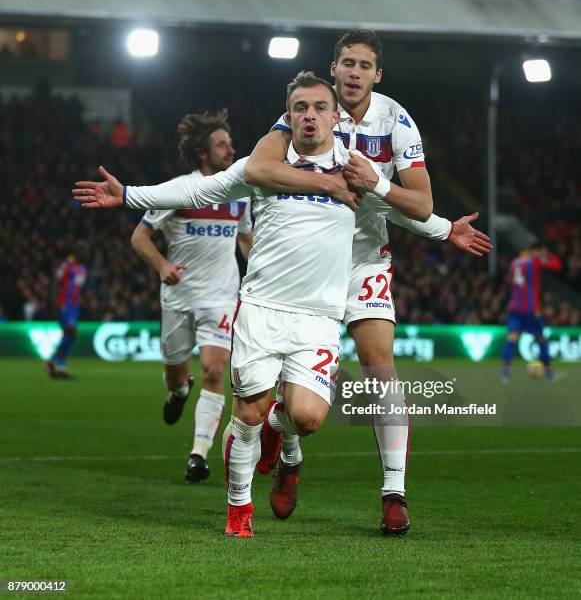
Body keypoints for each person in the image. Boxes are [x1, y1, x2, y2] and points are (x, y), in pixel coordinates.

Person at [73, 71, 484, 537]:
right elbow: (196, 191)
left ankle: (279, 427)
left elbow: (399, 211)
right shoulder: (264, 168)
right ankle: (238, 510)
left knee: (306, 418)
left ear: (335, 117)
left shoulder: (356, 173)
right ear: (288, 117)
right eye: (300, 109)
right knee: (245, 414)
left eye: (319, 108)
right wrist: (128, 195)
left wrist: (447, 229)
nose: (310, 115)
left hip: (320, 319)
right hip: (262, 310)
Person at [244, 30, 491, 535]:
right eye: (347, 63)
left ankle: (394, 493)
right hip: (304, 266)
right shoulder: (307, 111)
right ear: (332, 69)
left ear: (378, 75)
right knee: (299, 406)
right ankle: (284, 443)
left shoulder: (396, 119)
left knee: (381, 369)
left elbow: (419, 202)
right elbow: (259, 166)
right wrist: (327, 183)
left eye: (364, 65)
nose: (354, 72)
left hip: (363, 262)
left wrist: (377, 183)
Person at [130, 110, 253, 483]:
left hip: (221, 297)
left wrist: (264, 272)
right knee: (175, 375)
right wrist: (162, 265)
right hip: (179, 297)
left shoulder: (239, 192)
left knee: (216, 371)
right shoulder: (179, 190)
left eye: (230, 142)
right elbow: (140, 237)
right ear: (203, 152)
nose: (231, 148)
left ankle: (198, 455)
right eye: (222, 144)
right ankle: (180, 390)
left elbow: (246, 238)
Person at [501, 242, 562, 380]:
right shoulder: (534, 261)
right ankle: (549, 373)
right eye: (542, 252)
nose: (543, 255)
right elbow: (556, 265)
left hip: (514, 306)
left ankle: (505, 372)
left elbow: (510, 281)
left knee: (512, 337)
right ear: (536, 250)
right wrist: (548, 255)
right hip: (530, 308)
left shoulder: (515, 262)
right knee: (541, 338)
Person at [44, 241, 89, 379]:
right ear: (76, 252)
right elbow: (55, 282)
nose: (85, 253)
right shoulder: (67, 265)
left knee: (68, 335)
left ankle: (59, 367)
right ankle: (52, 361)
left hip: (74, 306)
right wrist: (52, 303)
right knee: (71, 333)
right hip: (65, 303)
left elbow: (79, 288)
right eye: (82, 250)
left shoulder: (82, 268)